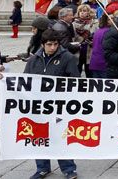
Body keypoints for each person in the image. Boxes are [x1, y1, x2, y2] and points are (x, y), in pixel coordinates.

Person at [25, 29, 80, 179]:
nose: (53, 47)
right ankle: (42, 167)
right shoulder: (34, 60)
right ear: (43, 44)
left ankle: (68, 168)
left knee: (61, 136)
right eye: (49, 44)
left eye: (55, 44)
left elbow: (75, 80)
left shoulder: (67, 58)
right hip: (39, 105)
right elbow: (25, 80)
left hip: (59, 105)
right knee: (40, 136)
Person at [88, 13, 112, 78]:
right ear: (107, 21)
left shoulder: (98, 31)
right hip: (104, 63)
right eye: (111, 19)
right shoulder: (109, 31)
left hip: (95, 62)